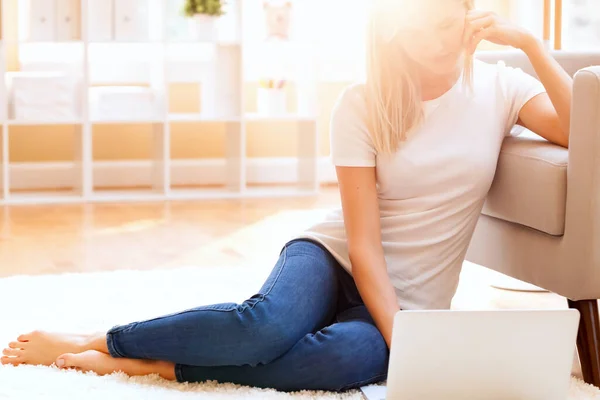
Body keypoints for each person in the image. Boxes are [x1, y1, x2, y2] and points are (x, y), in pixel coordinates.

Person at [1, 0, 573, 393]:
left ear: (468, 16)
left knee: (344, 359)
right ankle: (101, 338)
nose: (438, 44)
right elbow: (365, 247)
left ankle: (162, 365)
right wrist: (404, 337)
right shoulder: (362, 102)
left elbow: (577, 131)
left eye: (446, 24)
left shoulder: (500, 87)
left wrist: (529, 43)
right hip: (334, 257)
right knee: (264, 327)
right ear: (393, 32)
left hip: (416, 294)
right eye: (419, 30)